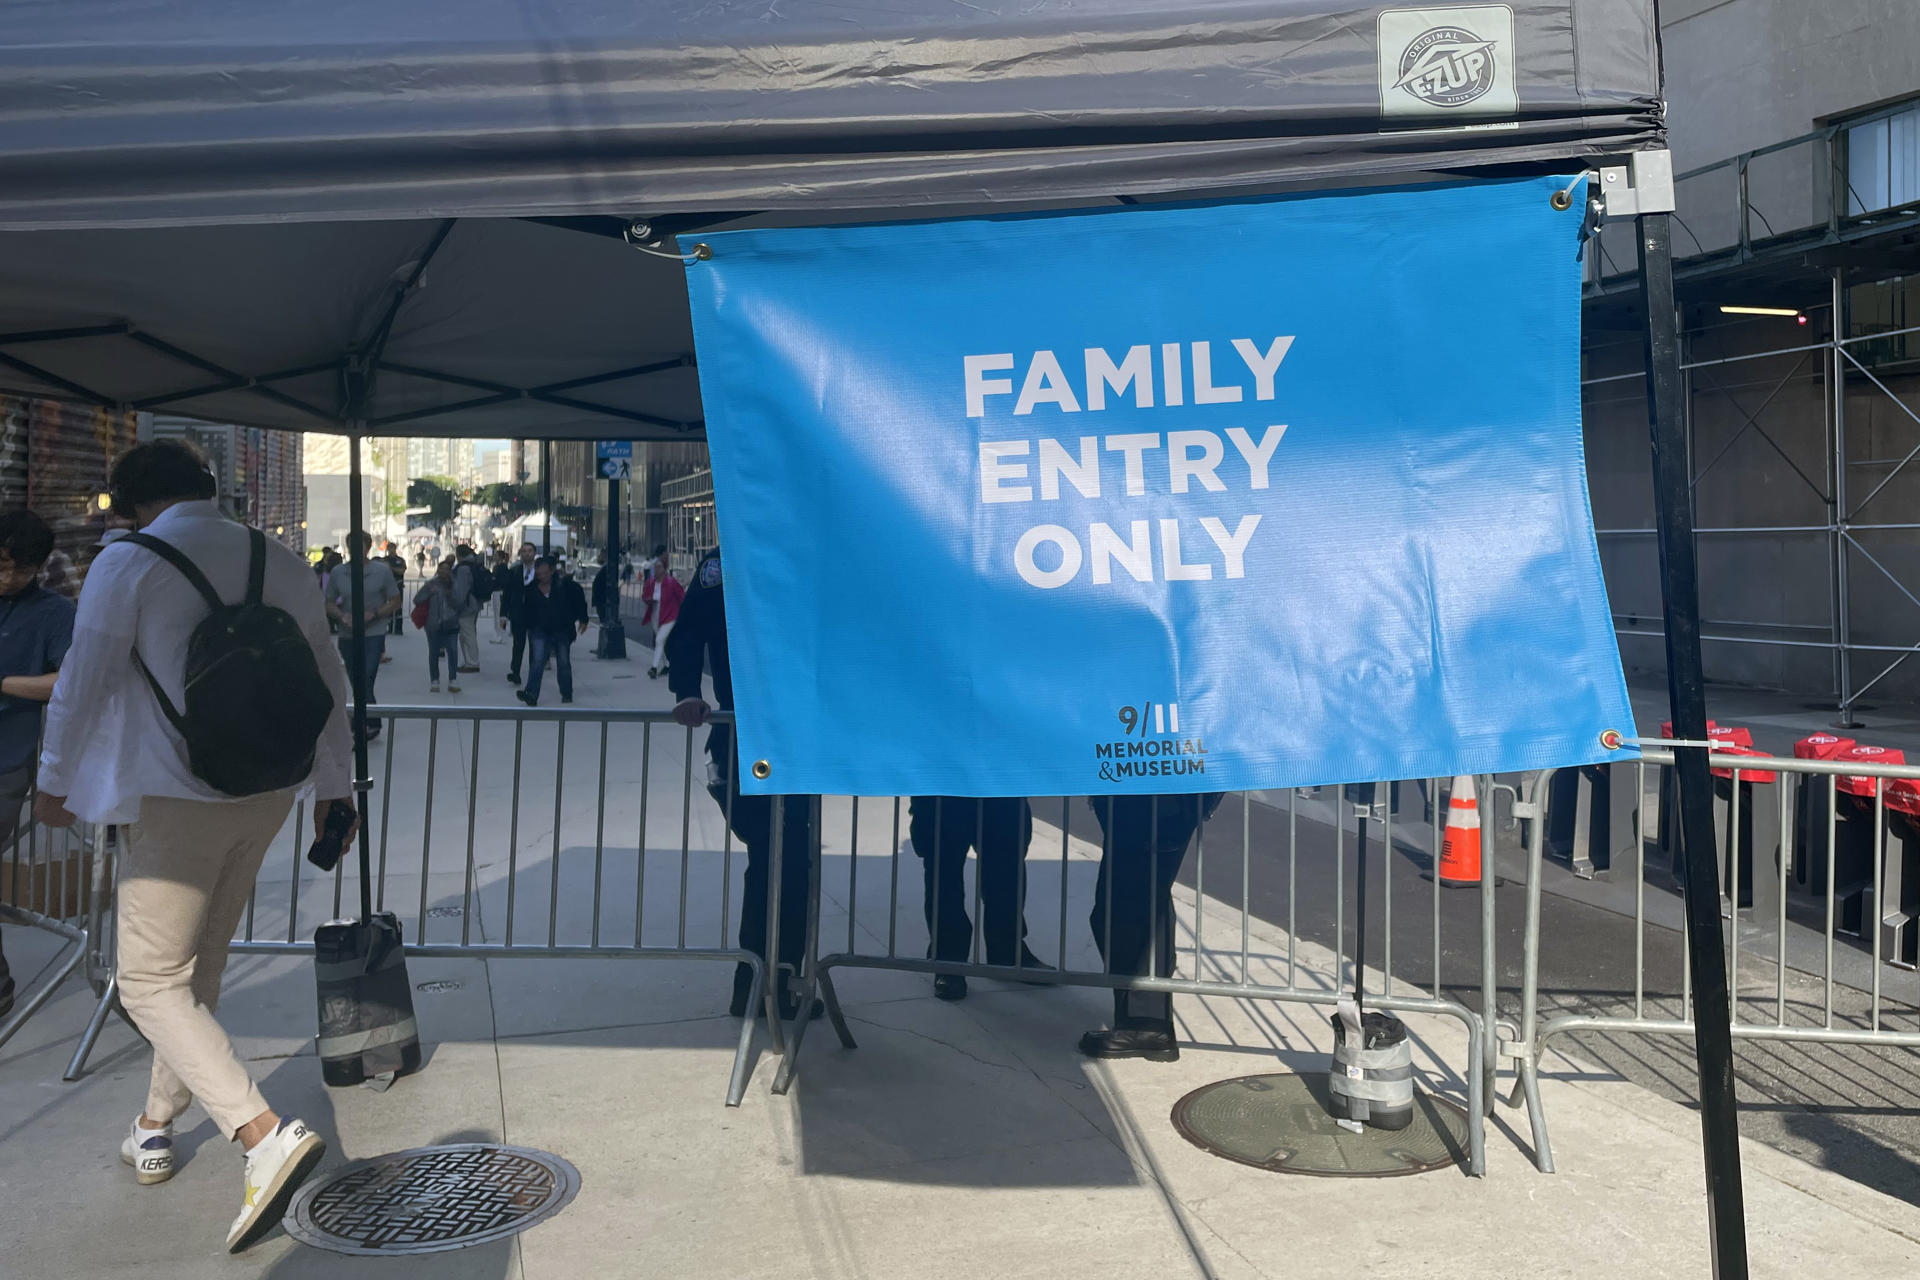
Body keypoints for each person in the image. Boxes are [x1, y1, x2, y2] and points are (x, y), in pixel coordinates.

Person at [34, 439, 349, 1251]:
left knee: (146, 981)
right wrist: (335, 791)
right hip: (270, 792)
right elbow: (327, 678)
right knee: (196, 967)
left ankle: (261, 1134)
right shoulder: (277, 556)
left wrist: (55, 780)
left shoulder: (129, 562)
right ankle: (153, 1124)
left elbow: (84, 680)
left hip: (175, 797)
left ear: (133, 503)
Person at [668, 547, 821, 1021]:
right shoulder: (725, 562)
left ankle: (765, 981)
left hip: (795, 739)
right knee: (779, 862)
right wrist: (688, 690)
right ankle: (764, 982)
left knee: (785, 863)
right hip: (745, 737)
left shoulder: (808, 553)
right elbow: (688, 632)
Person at [1079, 792, 1224, 1061]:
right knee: (1132, 904)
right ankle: (1143, 1020)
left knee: (1131, 907)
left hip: (1155, 798)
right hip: (1150, 796)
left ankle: (1146, 1024)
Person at [0, 511, 76, 1020]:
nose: (9, 579)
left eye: (21, 570)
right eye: (3, 565)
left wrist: (3, 685)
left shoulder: (54, 612)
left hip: (7, 760)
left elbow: (66, 681)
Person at [908, 797, 1049, 1000]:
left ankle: (1007, 951)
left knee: (1007, 864)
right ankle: (949, 961)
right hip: (944, 783)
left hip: (1000, 782)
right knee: (943, 868)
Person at [323, 531, 401, 742]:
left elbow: (395, 600)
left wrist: (375, 614)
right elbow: (328, 602)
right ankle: (367, 720)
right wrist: (342, 616)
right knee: (356, 679)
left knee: (366, 679)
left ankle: (365, 723)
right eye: (353, 545)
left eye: (362, 545)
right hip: (348, 633)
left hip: (373, 632)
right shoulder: (339, 572)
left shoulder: (381, 571)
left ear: (369, 547)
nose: (357, 550)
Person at [514, 556, 587, 706]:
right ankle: (531, 694)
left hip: (562, 630)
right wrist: (524, 626)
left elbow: (579, 599)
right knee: (538, 661)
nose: (542, 577)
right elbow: (525, 610)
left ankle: (566, 693)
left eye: (545, 573)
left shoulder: (565, 586)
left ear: (552, 571)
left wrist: (583, 619)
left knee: (563, 662)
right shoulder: (531, 589)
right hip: (539, 630)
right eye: (539, 574)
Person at [414, 557, 467, 693]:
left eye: (446, 569)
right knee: (433, 653)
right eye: (441, 569)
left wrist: (450, 595)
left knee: (453, 652)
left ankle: (453, 679)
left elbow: (460, 603)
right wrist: (428, 593)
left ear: (450, 571)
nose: (444, 572)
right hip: (433, 624)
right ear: (437, 570)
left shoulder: (456, 585)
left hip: (451, 624)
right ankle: (435, 680)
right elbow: (417, 599)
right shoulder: (430, 584)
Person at [496, 542, 538, 684]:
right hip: (518, 614)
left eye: (530, 551)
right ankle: (515, 672)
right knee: (518, 645)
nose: (527, 553)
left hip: (535, 615)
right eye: (524, 551)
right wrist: (503, 615)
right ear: (520, 554)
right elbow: (507, 594)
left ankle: (534, 674)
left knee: (535, 646)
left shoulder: (541, 572)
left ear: (534, 553)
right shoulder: (515, 572)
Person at [642, 547, 684, 680]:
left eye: (659, 567)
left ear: (664, 569)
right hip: (656, 614)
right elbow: (645, 596)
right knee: (661, 641)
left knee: (659, 639)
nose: (657, 569)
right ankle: (667, 664)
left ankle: (654, 668)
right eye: (656, 567)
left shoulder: (671, 583)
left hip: (670, 615)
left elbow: (681, 596)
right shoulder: (650, 583)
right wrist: (648, 600)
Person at [452, 544, 487, 674]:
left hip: (466, 605)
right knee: (469, 632)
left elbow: (461, 590)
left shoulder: (462, 569)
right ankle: (469, 661)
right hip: (474, 603)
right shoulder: (474, 565)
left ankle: (472, 662)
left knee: (467, 634)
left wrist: (456, 606)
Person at [382, 544, 409, 641]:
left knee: (398, 607)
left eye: (393, 548)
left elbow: (402, 571)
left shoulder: (400, 560)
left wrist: (391, 568)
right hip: (386, 587)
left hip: (398, 586)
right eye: (389, 548)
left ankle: (398, 628)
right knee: (387, 607)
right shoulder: (384, 559)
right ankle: (389, 627)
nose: (391, 550)